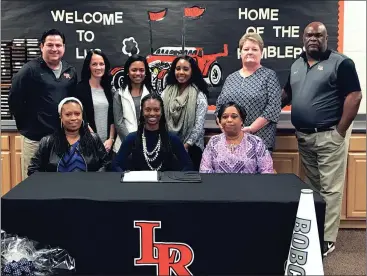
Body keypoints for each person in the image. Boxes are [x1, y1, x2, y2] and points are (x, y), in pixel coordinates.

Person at [281, 22, 362, 257]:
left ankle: (327, 239)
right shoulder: (297, 64)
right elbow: (287, 94)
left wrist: (339, 132)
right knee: (314, 188)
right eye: (309, 35)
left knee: (330, 189)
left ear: (327, 38)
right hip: (305, 137)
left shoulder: (341, 63)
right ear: (302, 38)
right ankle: (314, 230)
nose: (313, 38)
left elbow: (355, 96)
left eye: (319, 35)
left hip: (329, 135)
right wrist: (265, 111)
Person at [8, 29, 77, 180]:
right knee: (32, 183)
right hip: (35, 140)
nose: (54, 49)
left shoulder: (70, 71)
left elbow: (73, 103)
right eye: (50, 45)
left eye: (58, 45)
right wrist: (27, 126)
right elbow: (14, 100)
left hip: (61, 140)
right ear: (41, 46)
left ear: (64, 47)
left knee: (58, 182)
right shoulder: (29, 70)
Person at [215, 32, 281, 153]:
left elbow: (273, 108)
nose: (250, 52)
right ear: (241, 53)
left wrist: (250, 129)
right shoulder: (231, 78)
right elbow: (219, 107)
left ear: (261, 53)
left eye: (254, 49)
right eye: (246, 49)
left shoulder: (269, 76)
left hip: (259, 142)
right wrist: (226, 129)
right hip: (230, 143)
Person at [28, 97, 110, 175]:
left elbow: (106, 164)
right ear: (61, 117)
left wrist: (94, 179)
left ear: (82, 116)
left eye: (77, 114)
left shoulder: (94, 139)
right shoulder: (47, 142)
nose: (73, 118)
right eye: (68, 114)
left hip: (88, 187)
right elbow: (33, 169)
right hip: (56, 188)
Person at [112, 94, 193, 172]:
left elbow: (188, 166)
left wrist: (176, 181)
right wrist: (127, 178)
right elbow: (115, 165)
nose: (152, 113)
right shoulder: (132, 138)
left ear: (161, 112)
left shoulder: (172, 139)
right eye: (147, 110)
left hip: (165, 184)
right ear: (142, 112)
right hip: (138, 184)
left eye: (156, 110)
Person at [161, 55, 208, 170]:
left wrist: (185, 146)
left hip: (192, 148)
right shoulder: (166, 93)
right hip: (169, 146)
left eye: (186, 69)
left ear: (192, 72)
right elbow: (161, 119)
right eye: (178, 69)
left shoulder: (199, 95)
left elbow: (198, 126)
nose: (181, 72)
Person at [200, 102, 273, 173]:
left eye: (234, 116)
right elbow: (205, 170)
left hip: (250, 185)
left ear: (241, 120)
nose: (229, 120)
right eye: (225, 117)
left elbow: (267, 171)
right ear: (220, 121)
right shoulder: (213, 141)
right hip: (219, 185)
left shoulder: (256, 142)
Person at [75, 49, 115, 154]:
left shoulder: (108, 89)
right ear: (89, 66)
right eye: (94, 64)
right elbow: (81, 118)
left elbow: (112, 117)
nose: (98, 67)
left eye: (101, 64)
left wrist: (111, 139)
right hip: (88, 145)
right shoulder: (80, 89)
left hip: (108, 146)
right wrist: (95, 140)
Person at [112, 55, 153, 153]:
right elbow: (119, 123)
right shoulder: (119, 94)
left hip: (148, 145)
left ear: (146, 72)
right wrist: (132, 142)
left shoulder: (152, 93)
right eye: (134, 70)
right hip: (124, 146)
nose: (138, 73)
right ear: (127, 72)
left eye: (141, 70)